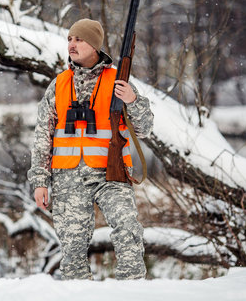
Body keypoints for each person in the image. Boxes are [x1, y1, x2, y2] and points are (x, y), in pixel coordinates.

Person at [27, 18, 154, 280]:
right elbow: (42, 135)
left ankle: (132, 294)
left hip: (111, 174)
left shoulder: (119, 80)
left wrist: (133, 100)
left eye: (79, 39)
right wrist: (40, 181)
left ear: (95, 45)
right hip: (67, 178)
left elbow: (145, 129)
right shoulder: (59, 84)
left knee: (127, 228)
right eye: (70, 39)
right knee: (72, 251)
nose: (72, 45)